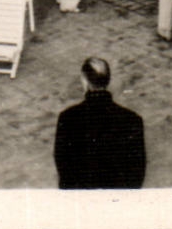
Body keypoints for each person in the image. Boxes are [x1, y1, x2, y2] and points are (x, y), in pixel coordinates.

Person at [53, 57, 147, 190]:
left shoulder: (67, 118)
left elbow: (63, 166)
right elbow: (137, 171)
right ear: (108, 80)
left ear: (84, 81)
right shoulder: (133, 120)